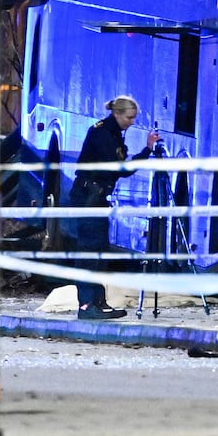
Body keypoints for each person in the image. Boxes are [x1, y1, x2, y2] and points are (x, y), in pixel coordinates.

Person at [67, 95, 156, 319]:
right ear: (116, 114)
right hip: (89, 195)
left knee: (98, 250)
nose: (132, 122)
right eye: (129, 117)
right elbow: (121, 168)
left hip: (96, 195)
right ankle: (87, 305)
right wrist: (147, 151)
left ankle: (98, 301)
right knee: (89, 250)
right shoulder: (103, 134)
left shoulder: (112, 132)